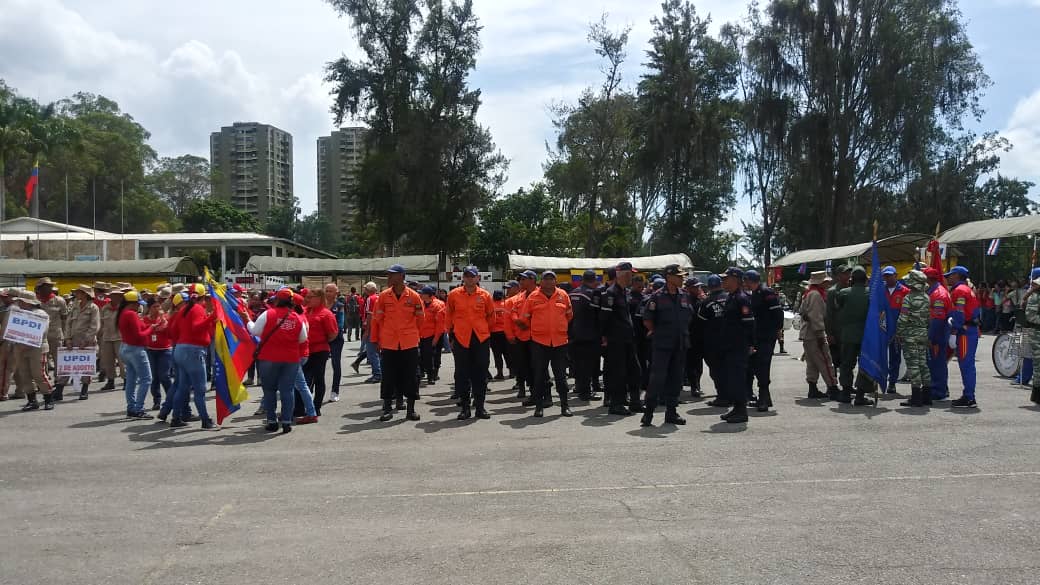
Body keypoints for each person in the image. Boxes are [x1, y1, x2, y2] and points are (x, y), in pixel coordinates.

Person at [245, 288, 306, 433]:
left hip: (269, 358)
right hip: (291, 358)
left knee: (269, 390)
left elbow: (254, 331)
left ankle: (272, 421)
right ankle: (286, 421)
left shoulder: (268, 314)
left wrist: (247, 320)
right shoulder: (296, 317)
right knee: (287, 390)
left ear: (277, 299)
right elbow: (303, 338)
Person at [641, 264, 693, 426]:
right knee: (657, 379)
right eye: (679, 276)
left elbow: (688, 316)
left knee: (676, 379)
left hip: (680, 344)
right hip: (662, 344)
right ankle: (648, 413)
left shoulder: (684, 295)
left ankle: (671, 412)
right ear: (669, 277)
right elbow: (647, 319)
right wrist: (657, 332)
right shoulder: (657, 296)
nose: (682, 278)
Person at [371, 264, 424, 422]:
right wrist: (375, 339)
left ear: (401, 276)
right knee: (388, 376)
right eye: (388, 275)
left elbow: (421, 319)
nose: (389, 278)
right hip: (389, 342)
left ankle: (411, 409)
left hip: (409, 342)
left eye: (391, 275)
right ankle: (387, 408)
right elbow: (376, 319)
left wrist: (413, 334)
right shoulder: (383, 296)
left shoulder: (414, 296)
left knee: (411, 376)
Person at [521, 271, 574, 417]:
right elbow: (525, 318)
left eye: (552, 279)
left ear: (555, 281)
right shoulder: (533, 297)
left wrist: (558, 328)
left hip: (560, 342)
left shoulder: (563, 295)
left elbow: (569, 315)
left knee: (561, 377)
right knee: (539, 376)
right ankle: (539, 406)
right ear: (541, 281)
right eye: (546, 279)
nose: (549, 282)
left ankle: (565, 406)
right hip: (539, 342)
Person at [445, 265, 494, 420]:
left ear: (477, 278)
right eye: (467, 276)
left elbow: (490, 316)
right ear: (463, 278)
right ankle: (465, 408)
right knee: (462, 373)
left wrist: (485, 332)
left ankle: (480, 407)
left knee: (480, 373)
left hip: (480, 338)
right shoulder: (454, 295)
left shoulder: (485, 295)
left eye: (472, 276)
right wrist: (451, 336)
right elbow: (448, 316)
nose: (470, 278)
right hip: (461, 338)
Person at [600, 261, 641, 416]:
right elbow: (604, 318)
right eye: (630, 274)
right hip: (616, 340)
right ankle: (616, 404)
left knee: (635, 370)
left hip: (628, 339)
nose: (632, 277)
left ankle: (634, 402)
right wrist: (604, 337)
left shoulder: (625, 292)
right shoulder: (610, 293)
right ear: (622, 275)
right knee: (618, 373)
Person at [718, 268, 756, 424]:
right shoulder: (731, 297)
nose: (723, 281)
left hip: (738, 346)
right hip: (730, 345)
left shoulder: (742, 299)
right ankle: (736, 408)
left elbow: (749, 324)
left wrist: (751, 344)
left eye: (726, 279)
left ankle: (742, 411)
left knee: (738, 379)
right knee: (732, 379)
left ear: (735, 280)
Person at [835, 266, 875, 406]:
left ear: (852, 279)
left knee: (846, 365)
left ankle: (846, 393)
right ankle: (860, 395)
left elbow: (838, 307)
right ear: (865, 279)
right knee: (864, 365)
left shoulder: (843, 293)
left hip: (848, 335)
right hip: (866, 336)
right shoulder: (871, 293)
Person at [744, 270, 783, 412]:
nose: (744, 283)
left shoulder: (766, 293)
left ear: (750, 280)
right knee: (756, 366)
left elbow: (778, 313)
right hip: (758, 336)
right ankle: (765, 398)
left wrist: (777, 331)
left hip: (767, 336)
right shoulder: (754, 294)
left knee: (763, 366)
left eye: (746, 280)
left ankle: (763, 400)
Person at [12, 293, 55, 411]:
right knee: (24, 374)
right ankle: (32, 400)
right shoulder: (17, 313)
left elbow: (41, 331)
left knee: (39, 374)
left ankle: (48, 398)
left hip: (37, 348)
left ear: (28, 302)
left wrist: (27, 341)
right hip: (20, 347)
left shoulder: (41, 314)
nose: (19, 303)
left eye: (21, 301)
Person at [116, 290, 156, 419]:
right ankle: (139, 409)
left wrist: (151, 325)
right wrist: (152, 329)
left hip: (125, 348)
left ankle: (131, 408)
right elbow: (139, 334)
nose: (140, 305)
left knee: (131, 380)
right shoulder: (131, 314)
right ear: (132, 303)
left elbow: (141, 327)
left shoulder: (123, 313)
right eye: (138, 303)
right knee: (146, 379)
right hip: (135, 349)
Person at [799, 271, 838, 399]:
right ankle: (832, 388)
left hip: (807, 334)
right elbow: (816, 317)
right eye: (825, 281)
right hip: (815, 334)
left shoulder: (809, 293)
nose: (828, 283)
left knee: (812, 363)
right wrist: (821, 335)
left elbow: (803, 312)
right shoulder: (816, 295)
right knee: (825, 361)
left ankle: (813, 388)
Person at [946, 266, 980, 408]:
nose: (948, 277)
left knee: (966, 365)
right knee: (968, 364)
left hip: (965, 332)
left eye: (950, 275)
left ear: (958, 276)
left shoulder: (959, 291)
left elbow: (959, 314)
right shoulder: (967, 289)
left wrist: (954, 328)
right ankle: (968, 395)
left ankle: (969, 397)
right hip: (969, 330)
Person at [898, 270, 932, 408]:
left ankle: (916, 397)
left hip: (910, 335)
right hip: (923, 334)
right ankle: (927, 396)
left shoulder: (908, 298)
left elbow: (903, 319)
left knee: (913, 365)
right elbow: (928, 319)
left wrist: (898, 333)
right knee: (923, 364)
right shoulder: (926, 297)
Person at [62, 285, 101, 401]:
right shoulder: (74, 306)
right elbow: (68, 324)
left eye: (79, 292)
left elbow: (95, 325)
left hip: (87, 341)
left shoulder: (93, 308)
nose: (76, 294)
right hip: (73, 340)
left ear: (85, 294)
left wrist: (87, 339)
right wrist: (67, 338)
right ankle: (59, 388)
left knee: (86, 366)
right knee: (67, 364)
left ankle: (84, 389)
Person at [305, 287, 339, 415]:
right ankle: (305, 405)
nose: (307, 299)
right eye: (307, 297)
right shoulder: (305, 311)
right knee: (305, 379)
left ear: (319, 298)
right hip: (304, 351)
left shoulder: (326, 314)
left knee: (318, 378)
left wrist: (319, 340)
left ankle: (316, 406)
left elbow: (333, 333)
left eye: (310, 297)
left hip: (319, 350)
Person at [568, 270, 600, 401]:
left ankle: (579, 386)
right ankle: (585, 392)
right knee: (587, 364)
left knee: (577, 362)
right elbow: (597, 315)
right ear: (594, 280)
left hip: (573, 333)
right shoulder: (591, 294)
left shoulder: (572, 293)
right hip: (588, 334)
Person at [700, 275, 731, 407]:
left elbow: (700, 323)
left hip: (713, 342)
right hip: (730, 340)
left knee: (716, 370)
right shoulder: (730, 298)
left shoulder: (706, 302)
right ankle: (733, 395)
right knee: (730, 369)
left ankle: (722, 396)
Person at [35, 277, 68, 399]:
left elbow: (65, 319)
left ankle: (59, 386)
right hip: (39, 337)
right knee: (41, 362)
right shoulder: (35, 301)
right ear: (39, 288)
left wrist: (65, 335)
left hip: (56, 335)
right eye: (45, 286)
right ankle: (44, 384)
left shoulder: (59, 301)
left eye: (50, 286)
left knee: (59, 362)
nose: (49, 288)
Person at [508, 271, 537, 401]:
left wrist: (528, 324)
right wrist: (518, 322)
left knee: (538, 367)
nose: (520, 282)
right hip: (522, 337)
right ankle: (530, 391)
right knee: (524, 366)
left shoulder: (540, 295)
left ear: (532, 280)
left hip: (537, 337)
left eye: (523, 279)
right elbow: (512, 313)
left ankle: (542, 394)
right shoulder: (519, 297)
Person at [924, 267, 951, 401]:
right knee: (936, 363)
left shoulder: (938, 294)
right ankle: (941, 389)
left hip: (937, 334)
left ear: (927, 279)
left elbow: (937, 319)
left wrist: (930, 337)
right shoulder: (933, 292)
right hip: (937, 333)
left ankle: (938, 391)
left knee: (937, 363)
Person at [881, 266, 909, 393]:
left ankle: (892, 382)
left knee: (895, 357)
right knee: (880, 357)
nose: (887, 278)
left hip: (897, 331)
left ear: (896, 275)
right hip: (882, 329)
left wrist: (901, 330)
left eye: (889, 275)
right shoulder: (880, 291)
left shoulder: (905, 291)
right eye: (885, 276)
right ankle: (879, 380)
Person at [142, 299, 173, 411]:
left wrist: (163, 319)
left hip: (165, 350)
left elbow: (168, 330)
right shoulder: (145, 319)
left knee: (164, 375)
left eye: (158, 306)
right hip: (151, 350)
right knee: (154, 377)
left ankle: (171, 398)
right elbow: (144, 330)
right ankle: (157, 401)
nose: (157, 309)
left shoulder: (165, 317)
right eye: (154, 307)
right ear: (149, 308)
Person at [352, 282, 382, 384]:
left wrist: (367, 330)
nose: (364, 291)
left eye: (366, 289)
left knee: (371, 352)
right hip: (379, 327)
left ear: (369, 290)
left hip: (372, 328)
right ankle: (379, 372)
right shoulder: (379, 297)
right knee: (376, 351)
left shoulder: (370, 299)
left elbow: (369, 315)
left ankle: (377, 374)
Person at [825, 265, 852, 373]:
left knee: (848, 360)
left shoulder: (851, 289)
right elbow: (829, 313)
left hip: (849, 331)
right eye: (845, 273)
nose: (848, 276)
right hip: (836, 331)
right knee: (835, 360)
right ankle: (833, 385)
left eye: (848, 273)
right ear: (838, 276)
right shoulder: (832, 291)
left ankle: (847, 385)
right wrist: (829, 333)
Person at [418, 286, 447, 386]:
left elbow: (440, 324)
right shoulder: (420, 304)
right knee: (422, 356)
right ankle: (423, 372)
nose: (420, 295)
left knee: (431, 356)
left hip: (432, 335)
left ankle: (432, 376)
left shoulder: (438, 305)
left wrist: (435, 338)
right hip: (421, 335)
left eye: (423, 293)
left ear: (429, 295)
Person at [99, 287, 125, 391]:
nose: (115, 297)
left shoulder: (124, 308)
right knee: (108, 361)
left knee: (122, 361)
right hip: (107, 337)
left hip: (120, 337)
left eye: (117, 295)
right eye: (112, 295)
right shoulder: (105, 308)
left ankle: (126, 380)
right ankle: (110, 381)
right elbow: (101, 323)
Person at [324, 283, 346, 402]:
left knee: (335, 364)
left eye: (330, 291)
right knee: (318, 366)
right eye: (326, 291)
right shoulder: (320, 305)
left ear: (336, 293)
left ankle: (335, 391)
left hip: (336, 339)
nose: (328, 293)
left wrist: (331, 335)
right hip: (322, 340)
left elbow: (340, 324)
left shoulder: (340, 306)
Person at [685, 277, 707, 398]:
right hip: (689, 335)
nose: (698, 288)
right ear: (688, 288)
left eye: (698, 286)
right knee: (690, 363)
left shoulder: (702, 300)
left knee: (699, 363)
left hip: (700, 335)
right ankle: (694, 386)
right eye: (695, 287)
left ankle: (697, 384)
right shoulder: (684, 300)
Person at [1024, 277, 1040, 405]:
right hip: (1037, 334)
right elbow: (1030, 316)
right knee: (1038, 365)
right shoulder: (1034, 297)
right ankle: (1037, 395)